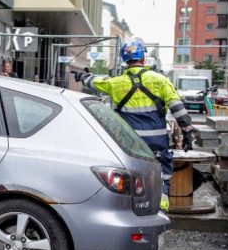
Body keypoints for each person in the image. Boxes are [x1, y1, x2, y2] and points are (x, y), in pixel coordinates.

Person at [74, 39, 196, 212]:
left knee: (131, 172)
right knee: (162, 168)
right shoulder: (160, 80)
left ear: (125, 59)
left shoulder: (116, 82)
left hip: (130, 143)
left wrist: (83, 76)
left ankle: (132, 206)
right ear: (143, 58)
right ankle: (161, 203)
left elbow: (95, 82)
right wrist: (187, 133)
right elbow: (177, 107)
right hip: (157, 141)